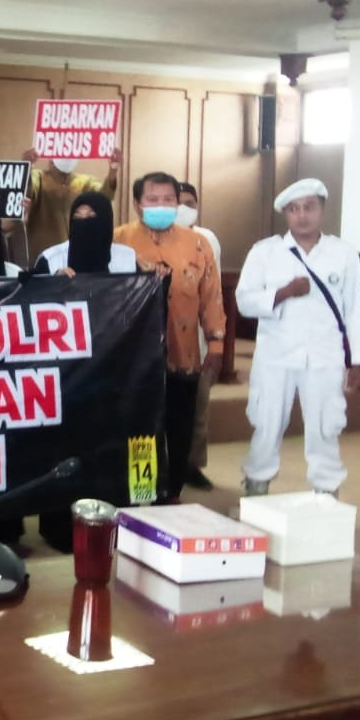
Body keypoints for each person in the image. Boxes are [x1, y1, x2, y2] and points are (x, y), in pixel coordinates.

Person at [235, 179, 360, 497]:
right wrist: (283, 293)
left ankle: (327, 488)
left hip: (325, 355)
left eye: (309, 207)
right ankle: (257, 482)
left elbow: (355, 309)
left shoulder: (343, 253)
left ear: (322, 209)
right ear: (286, 214)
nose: (302, 215)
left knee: (326, 425)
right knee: (267, 422)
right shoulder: (265, 252)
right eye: (294, 209)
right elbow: (244, 301)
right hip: (275, 355)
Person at [114, 172, 225, 501]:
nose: (161, 205)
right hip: (134, 359)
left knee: (180, 427)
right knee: (140, 430)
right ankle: (142, 492)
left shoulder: (198, 244)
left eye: (168, 200)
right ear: (138, 204)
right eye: (153, 199)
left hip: (183, 353)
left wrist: (216, 344)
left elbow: (212, 297)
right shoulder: (118, 241)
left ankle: (173, 491)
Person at [176, 182, 222, 490]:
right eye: (178, 202)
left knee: (198, 409)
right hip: (165, 341)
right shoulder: (152, 239)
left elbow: (213, 292)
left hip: (199, 342)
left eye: (190, 203)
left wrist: (216, 342)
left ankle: (192, 465)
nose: (184, 208)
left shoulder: (208, 239)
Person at [21, 147, 121, 264]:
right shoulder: (38, 177)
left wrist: (113, 171)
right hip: (44, 257)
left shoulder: (85, 182)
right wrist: (26, 167)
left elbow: (104, 199)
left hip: (77, 257)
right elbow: (27, 191)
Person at [34, 192, 138, 275]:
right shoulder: (51, 260)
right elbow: (35, 292)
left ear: (105, 221)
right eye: (77, 217)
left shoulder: (127, 258)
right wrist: (55, 284)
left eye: (91, 216)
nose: (83, 222)